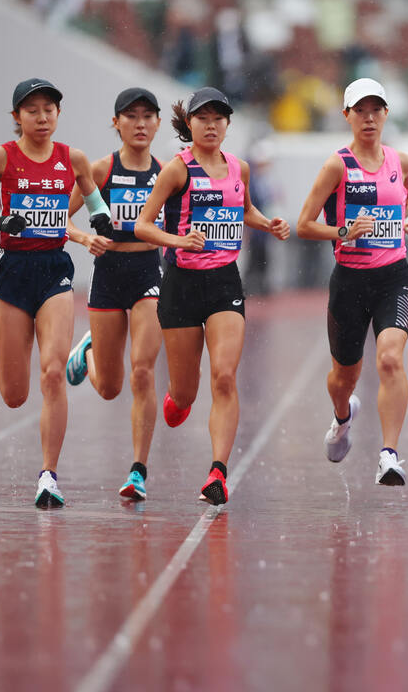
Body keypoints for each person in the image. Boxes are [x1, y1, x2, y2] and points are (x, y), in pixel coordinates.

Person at [296, 79, 408, 489]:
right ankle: (341, 418)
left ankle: (389, 454)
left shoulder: (400, 161)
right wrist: (343, 232)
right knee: (343, 379)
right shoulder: (337, 165)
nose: (368, 118)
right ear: (347, 116)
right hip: (350, 282)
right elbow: (303, 224)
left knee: (390, 358)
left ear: (386, 114)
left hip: (394, 277)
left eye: (376, 110)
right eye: (360, 111)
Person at [0, 78, 113, 507]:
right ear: (17, 117)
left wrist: (100, 219)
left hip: (54, 270)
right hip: (11, 272)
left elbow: (92, 196)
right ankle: (9, 332)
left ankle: (48, 475)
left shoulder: (71, 158)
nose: (42, 118)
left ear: (58, 114)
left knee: (51, 373)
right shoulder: (0, 158)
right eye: (32, 110)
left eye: (49, 109)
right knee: (14, 395)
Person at [134, 87, 290, 505]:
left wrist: (267, 223)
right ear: (190, 124)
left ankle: (217, 472)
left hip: (224, 283)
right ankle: (177, 399)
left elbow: (244, 210)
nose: (211, 125)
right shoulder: (176, 170)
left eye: (219, 118)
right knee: (185, 391)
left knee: (224, 376)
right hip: (181, 285)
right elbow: (143, 226)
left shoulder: (239, 168)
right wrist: (179, 240)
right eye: (203, 118)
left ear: (227, 125)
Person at [63, 88, 165, 501]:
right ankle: (88, 352)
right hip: (107, 274)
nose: (140, 124)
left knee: (143, 370)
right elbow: (58, 221)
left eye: (147, 116)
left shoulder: (169, 172)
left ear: (158, 123)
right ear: (116, 122)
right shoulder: (101, 170)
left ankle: (138, 469)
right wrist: (86, 238)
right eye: (131, 116)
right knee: (108, 387)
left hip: (148, 273)